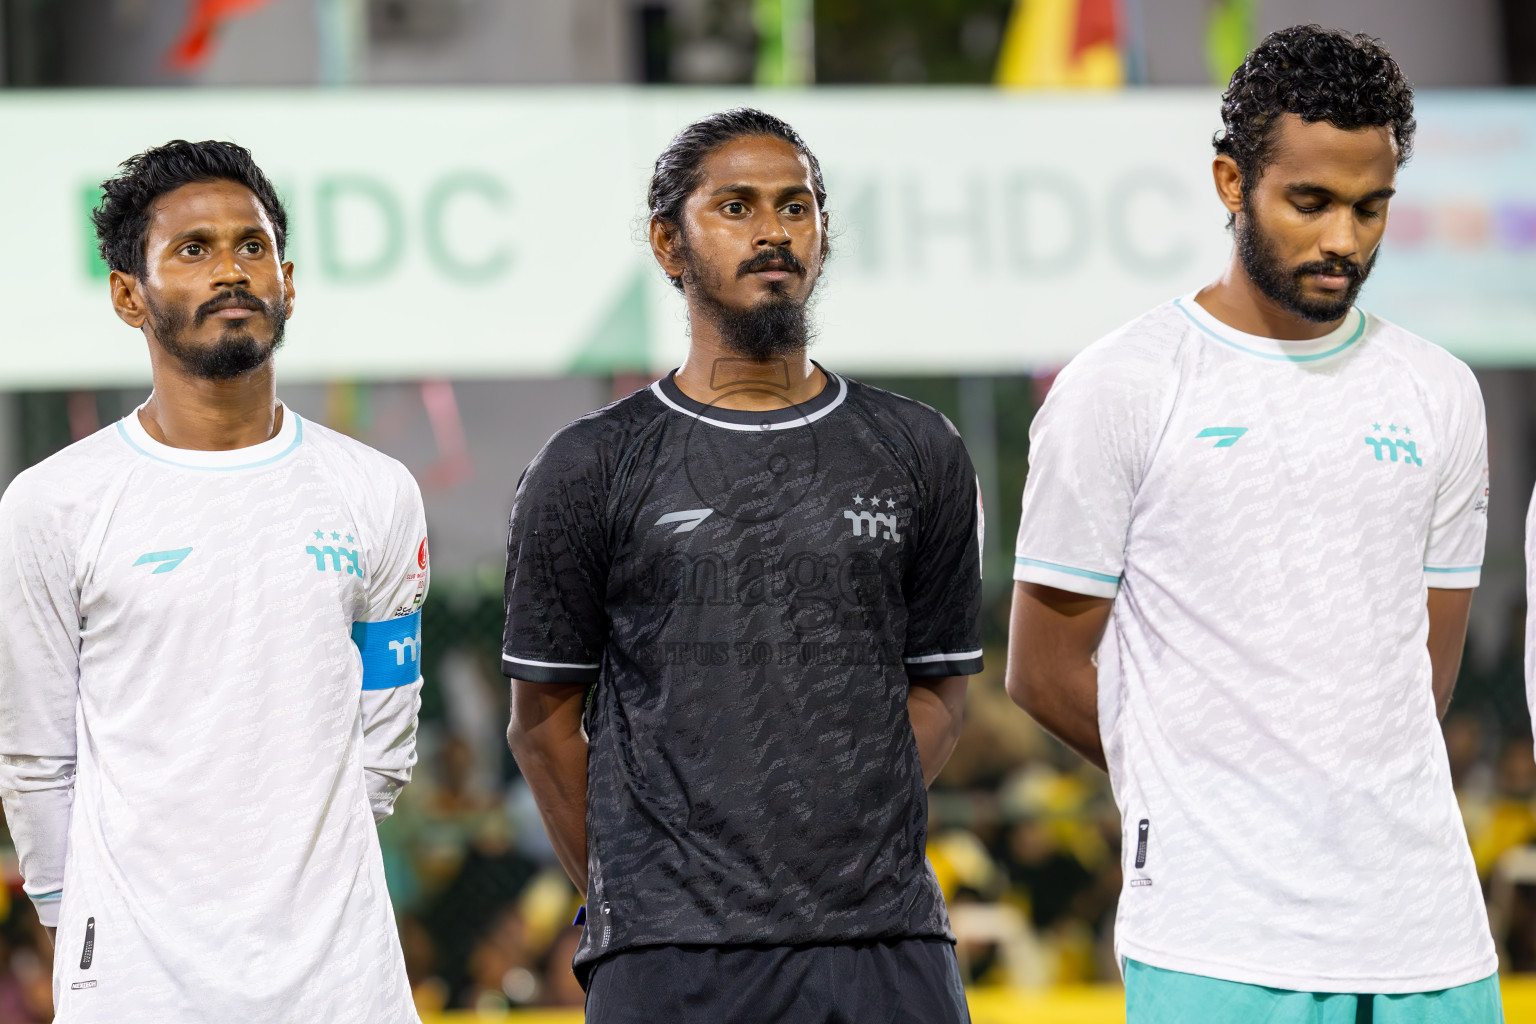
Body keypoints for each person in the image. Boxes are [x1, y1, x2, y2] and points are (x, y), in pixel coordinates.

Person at [1006, 26, 1501, 1023]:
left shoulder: (1441, 393)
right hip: (1214, 938)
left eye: (1371, 208)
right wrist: (1197, 784)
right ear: (1231, 182)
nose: (1343, 239)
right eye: (1309, 202)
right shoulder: (1121, 385)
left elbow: (1423, 675)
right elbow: (1042, 666)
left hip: (1432, 936)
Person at [503, 108, 983, 1024]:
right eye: (735, 206)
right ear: (667, 243)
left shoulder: (919, 448)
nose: (772, 231)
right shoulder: (590, 466)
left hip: (885, 943)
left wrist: (836, 832)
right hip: (671, 959)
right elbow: (543, 725)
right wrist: (634, 892)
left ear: (823, 233)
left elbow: (940, 694)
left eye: (795, 207)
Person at [0, 140, 428, 1023]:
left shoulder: (375, 491)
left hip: (344, 985)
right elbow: (37, 762)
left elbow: (385, 734)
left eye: (252, 245)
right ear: (130, 295)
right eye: (193, 250)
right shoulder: (54, 504)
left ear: (289, 278)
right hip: (136, 985)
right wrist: (80, 928)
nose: (232, 270)